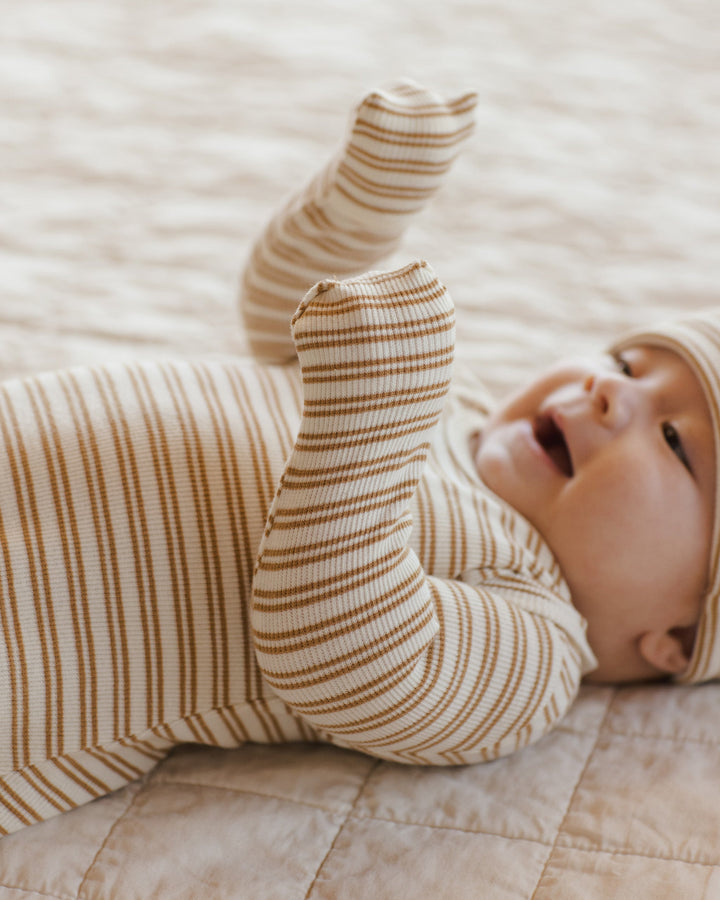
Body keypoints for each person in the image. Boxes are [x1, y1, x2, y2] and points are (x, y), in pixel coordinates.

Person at [0, 81, 718, 836]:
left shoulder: (532, 643)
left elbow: (337, 652)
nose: (609, 390)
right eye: (628, 362)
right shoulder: (445, 391)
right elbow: (289, 320)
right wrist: (364, 205)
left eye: (674, 442)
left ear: (682, 637)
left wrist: (370, 407)